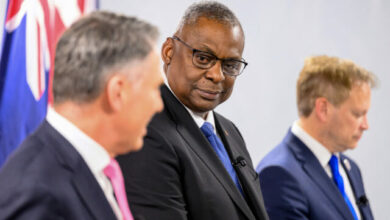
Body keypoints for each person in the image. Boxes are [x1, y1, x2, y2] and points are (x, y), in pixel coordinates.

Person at [0, 11, 163, 220]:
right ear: (117, 92)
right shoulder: (38, 193)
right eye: (154, 89)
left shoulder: (94, 166)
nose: (159, 105)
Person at [116, 2, 269, 220]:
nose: (218, 75)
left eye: (230, 65)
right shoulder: (145, 132)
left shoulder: (229, 131)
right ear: (169, 52)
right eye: (203, 58)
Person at [257, 55, 375, 220]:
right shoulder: (279, 174)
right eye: (357, 114)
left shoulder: (350, 168)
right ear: (323, 109)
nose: (365, 125)